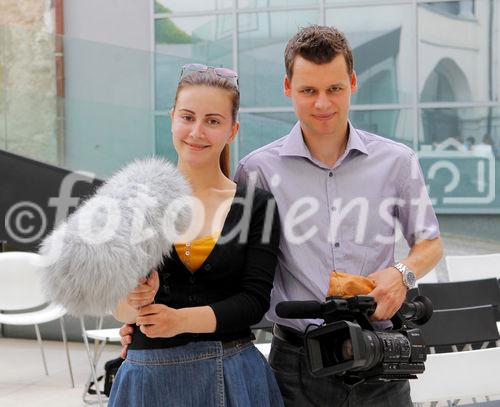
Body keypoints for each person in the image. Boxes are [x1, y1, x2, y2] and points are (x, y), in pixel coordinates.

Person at [233, 26, 443, 406]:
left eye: (334, 89)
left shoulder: (398, 162)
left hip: (380, 356)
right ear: (287, 87)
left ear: (353, 82)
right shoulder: (256, 171)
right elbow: (230, 265)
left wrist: (401, 274)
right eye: (308, 91)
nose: (322, 104)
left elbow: (430, 243)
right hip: (296, 365)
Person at [111, 64, 284, 407]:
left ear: (232, 131)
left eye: (213, 121)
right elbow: (118, 308)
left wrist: (179, 321)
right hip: (148, 377)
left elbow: (254, 301)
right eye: (188, 117)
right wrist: (135, 299)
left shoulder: (257, 205)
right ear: (172, 117)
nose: (197, 132)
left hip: (234, 374)